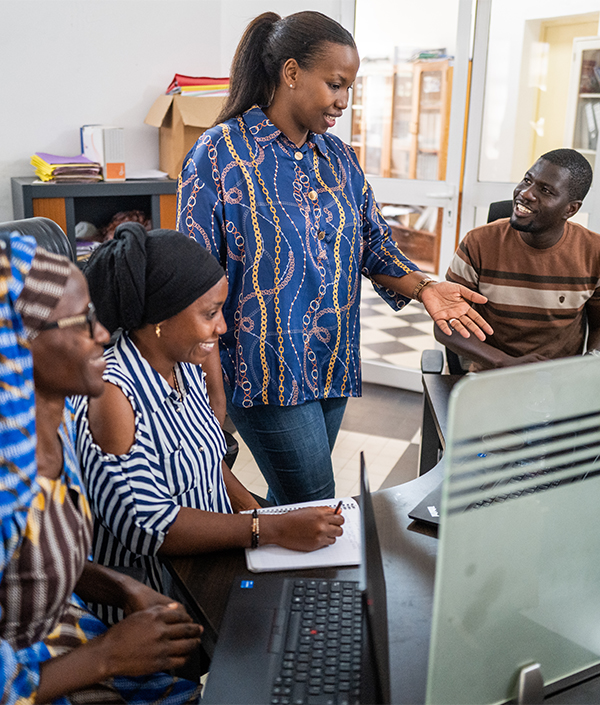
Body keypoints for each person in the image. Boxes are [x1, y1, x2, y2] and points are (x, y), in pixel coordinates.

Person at [176, 10, 493, 505]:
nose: (343, 102)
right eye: (335, 84)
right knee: (319, 499)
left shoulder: (340, 160)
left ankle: (273, 582)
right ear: (292, 72)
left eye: (350, 88)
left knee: (296, 503)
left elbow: (374, 244)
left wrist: (427, 288)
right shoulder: (219, 155)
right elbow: (193, 283)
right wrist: (209, 393)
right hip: (263, 370)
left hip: (331, 361)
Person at [74, 223, 345, 623]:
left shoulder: (180, 366)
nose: (221, 327)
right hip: (157, 601)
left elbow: (208, 457)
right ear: (160, 318)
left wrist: (257, 510)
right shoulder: (113, 396)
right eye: (210, 314)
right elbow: (150, 527)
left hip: (209, 564)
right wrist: (267, 530)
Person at [0, 233, 203, 705]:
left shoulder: (51, 425)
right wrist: (108, 656)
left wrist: (120, 586)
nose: (102, 334)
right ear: (14, 343)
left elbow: (32, 565)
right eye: (80, 321)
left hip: (61, 638)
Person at [436, 148, 600, 372]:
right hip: (490, 377)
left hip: (558, 385)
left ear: (571, 209)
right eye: (527, 180)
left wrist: (588, 367)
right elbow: (446, 323)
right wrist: (504, 362)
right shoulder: (478, 243)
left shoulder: (594, 252)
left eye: (545, 190)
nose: (526, 193)